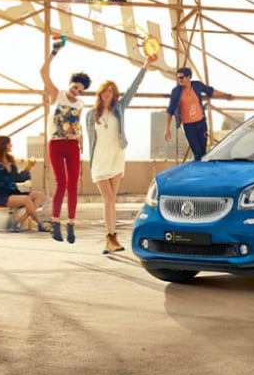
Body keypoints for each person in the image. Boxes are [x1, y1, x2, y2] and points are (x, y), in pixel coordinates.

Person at [87, 53, 157, 254]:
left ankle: (111, 239)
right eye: (105, 91)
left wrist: (145, 65)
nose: (108, 93)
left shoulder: (119, 109)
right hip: (100, 161)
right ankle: (111, 238)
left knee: (111, 200)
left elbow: (133, 88)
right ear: (100, 93)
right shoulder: (91, 115)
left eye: (111, 91)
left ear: (114, 94)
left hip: (117, 157)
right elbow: (90, 139)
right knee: (108, 199)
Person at [41, 50, 90, 244]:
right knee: (61, 182)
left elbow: (77, 125)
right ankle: (55, 223)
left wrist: (81, 142)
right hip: (55, 144)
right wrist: (54, 52)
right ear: (70, 84)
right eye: (74, 87)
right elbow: (43, 72)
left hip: (72, 145)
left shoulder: (80, 104)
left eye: (79, 90)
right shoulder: (57, 95)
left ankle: (70, 224)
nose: (75, 91)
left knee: (73, 185)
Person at [0, 135, 50, 233]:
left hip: (13, 192)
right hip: (1, 195)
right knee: (26, 199)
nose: (11, 145)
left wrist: (27, 170)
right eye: (9, 143)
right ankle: (40, 224)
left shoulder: (10, 160)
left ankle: (19, 221)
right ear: (4, 145)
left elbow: (16, 178)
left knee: (40, 195)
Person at [164, 67, 234, 161]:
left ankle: (204, 172)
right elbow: (170, 110)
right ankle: (199, 172)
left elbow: (211, 91)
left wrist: (226, 95)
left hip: (201, 123)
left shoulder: (197, 85)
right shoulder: (176, 92)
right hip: (189, 127)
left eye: (182, 77)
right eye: (178, 78)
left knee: (203, 152)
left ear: (189, 77)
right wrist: (167, 128)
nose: (179, 80)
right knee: (197, 152)